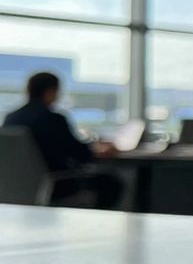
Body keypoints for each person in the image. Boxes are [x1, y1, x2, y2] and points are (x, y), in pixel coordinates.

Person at [2, 72, 123, 209]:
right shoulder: (54, 119)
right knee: (111, 182)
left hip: (17, 186)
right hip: (55, 184)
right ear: (50, 92)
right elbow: (79, 153)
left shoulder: (11, 118)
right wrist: (97, 149)